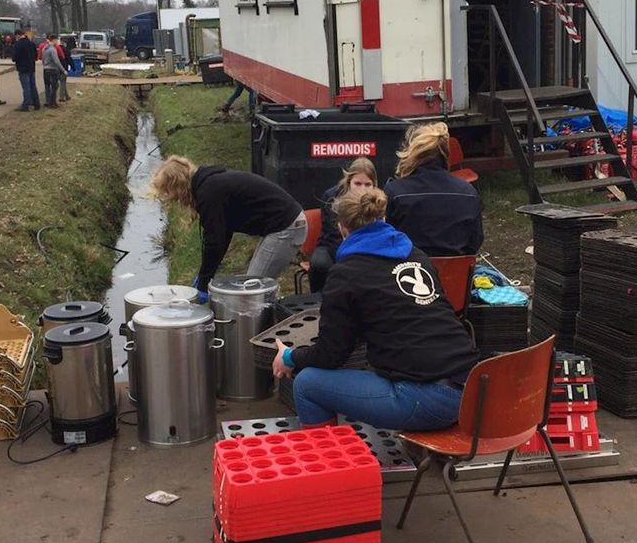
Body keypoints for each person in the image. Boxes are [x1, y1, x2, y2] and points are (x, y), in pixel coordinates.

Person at [271, 187, 479, 430]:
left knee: (307, 383)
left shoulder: (346, 274)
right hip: (472, 389)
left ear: (341, 229)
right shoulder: (416, 255)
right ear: (384, 220)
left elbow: (331, 355)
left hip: (424, 399)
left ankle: (328, 463)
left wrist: (290, 357)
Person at [152, 156, 306, 301]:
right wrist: (205, 276)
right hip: (283, 225)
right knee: (255, 287)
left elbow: (214, 241)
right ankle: (265, 318)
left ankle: (265, 325)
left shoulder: (208, 192)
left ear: (177, 184)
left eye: (168, 191)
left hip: (287, 227)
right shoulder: (209, 185)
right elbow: (223, 233)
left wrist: (204, 283)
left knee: (252, 290)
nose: (170, 197)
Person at [384, 122, 483, 256]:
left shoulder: (395, 192)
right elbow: (475, 241)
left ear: (411, 153)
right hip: (455, 273)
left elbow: (386, 240)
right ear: (445, 154)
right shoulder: (468, 192)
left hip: (407, 272)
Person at [308, 157, 378, 292]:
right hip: (333, 244)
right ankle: (317, 301)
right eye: (357, 183)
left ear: (374, 185)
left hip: (369, 245)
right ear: (348, 181)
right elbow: (331, 233)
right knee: (319, 263)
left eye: (367, 184)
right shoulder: (331, 197)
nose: (362, 189)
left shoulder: (377, 200)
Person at [12, 29, 40, 112]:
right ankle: (36, 103)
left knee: (26, 87)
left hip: (22, 68)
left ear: (17, 35)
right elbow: (36, 56)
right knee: (33, 86)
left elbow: (14, 58)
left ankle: (25, 105)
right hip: (31, 67)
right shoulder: (32, 44)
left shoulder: (18, 45)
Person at [41, 34, 65, 109]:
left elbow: (43, 59)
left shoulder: (44, 48)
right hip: (52, 69)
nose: (57, 42)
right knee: (55, 86)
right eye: (57, 40)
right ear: (54, 40)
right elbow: (56, 61)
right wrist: (63, 70)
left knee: (47, 86)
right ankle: (53, 103)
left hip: (45, 69)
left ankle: (47, 101)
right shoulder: (53, 49)